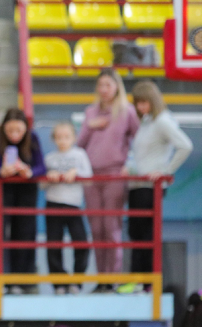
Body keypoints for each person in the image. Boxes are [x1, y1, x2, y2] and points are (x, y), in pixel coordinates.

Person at [123, 81, 193, 289]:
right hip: (137, 184)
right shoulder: (146, 123)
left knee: (146, 234)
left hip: (150, 187)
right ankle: (138, 281)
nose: (141, 107)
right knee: (136, 232)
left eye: (144, 102)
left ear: (153, 100)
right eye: (138, 103)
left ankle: (147, 283)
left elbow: (185, 146)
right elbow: (142, 156)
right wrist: (131, 168)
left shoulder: (163, 121)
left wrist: (165, 172)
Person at [76, 69, 139, 290]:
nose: (104, 90)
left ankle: (113, 277)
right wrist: (89, 126)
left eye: (108, 85)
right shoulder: (90, 113)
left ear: (116, 87)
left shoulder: (127, 112)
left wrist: (129, 165)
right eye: (100, 85)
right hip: (91, 175)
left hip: (114, 173)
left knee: (111, 226)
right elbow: (79, 144)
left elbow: (139, 140)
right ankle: (101, 278)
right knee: (96, 227)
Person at [0, 108, 46, 294]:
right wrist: (2, 171)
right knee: (0, 233)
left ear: (26, 129)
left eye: (19, 131)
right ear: (4, 128)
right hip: (2, 190)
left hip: (26, 190)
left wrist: (28, 171)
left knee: (24, 232)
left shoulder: (34, 137)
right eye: (10, 131)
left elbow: (41, 167)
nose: (14, 135)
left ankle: (21, 280)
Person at [43, 122, 93, 295]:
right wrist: (49, 177)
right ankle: (59, 284)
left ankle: (77, 281)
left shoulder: (79, 155)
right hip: (53, 203)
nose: (62, 141)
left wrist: (75, 174)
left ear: (74, 138)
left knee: (81, 244)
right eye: (58, 137)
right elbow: (41, 185)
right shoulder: (49, 158)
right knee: (54, 245)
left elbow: (88, 178)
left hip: (73, 205)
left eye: (66, 137)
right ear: (54, 139)